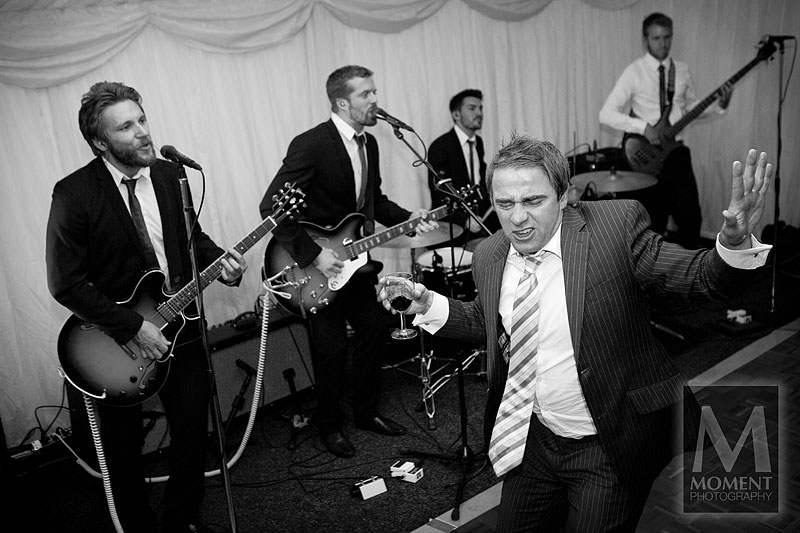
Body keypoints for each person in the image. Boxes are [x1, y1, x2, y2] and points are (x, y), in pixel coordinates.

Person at [379, 134, 772, 531]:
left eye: (533, 201)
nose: (517, 218)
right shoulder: (490, 253)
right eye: (505, 204)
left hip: (605, 444)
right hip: (531, 441)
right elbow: (488, 320)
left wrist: (732, 244)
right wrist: (425, 303)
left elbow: (698, 276)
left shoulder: (613, 230)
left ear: (563, 195)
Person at [46, 82, 247, 533]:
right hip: (114, 343)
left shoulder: (170, 175)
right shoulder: (74, 194)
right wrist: (131, 326)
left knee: (193, 430)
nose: (142, 132)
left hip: (182, 327)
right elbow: (65, 283)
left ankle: (182, 520)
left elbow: (191, 240)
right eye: (126, 126)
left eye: (142, 119)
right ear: (100, 141)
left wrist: (224, 264)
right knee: (122, 449)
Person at [259, 65, 437, 459]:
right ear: (342, 101)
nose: (375, 100)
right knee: (331, 349)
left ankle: (365, 412)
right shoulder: (311, 144)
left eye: (374, 91)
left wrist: (408, 218)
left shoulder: (369, 143)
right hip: (314, 268)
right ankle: (328, 425)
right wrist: (315, 254)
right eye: (366, 94)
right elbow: (272, 207)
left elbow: (372, 202)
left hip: (355, 262)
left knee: (374, 331)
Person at [599, 12, 733, 250]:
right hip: (647, 158)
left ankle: (692, 277)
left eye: (667, 37)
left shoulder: (681, 70)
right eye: (656, 38)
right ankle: (652, 281)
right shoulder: (634, 71)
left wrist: (719, 105)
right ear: (645, 40)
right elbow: (606, 114)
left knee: (691, 218)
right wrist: (643, 127)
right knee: (653, 223)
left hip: (676, 153)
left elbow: (690, 107)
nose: (663, 43)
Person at [428, 89, 498, 239]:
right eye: (472, 108)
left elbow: (479, 182)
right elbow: (440, 195)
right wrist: (465, 220)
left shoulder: (478, 143)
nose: (479, 113)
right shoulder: (440, 146)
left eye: (480, 108)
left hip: (480, 220)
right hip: (454, 226)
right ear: (456, 114)